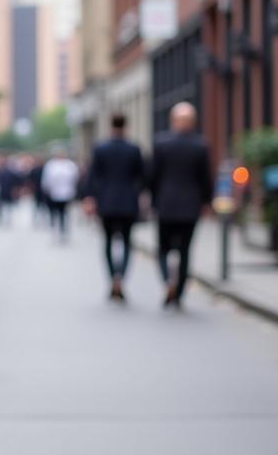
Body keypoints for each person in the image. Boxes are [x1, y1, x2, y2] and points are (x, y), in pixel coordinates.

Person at [148, 102, 213, 308]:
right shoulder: (201, 145)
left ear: (174, 121)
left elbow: (152, 177)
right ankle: (180, 293)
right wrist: (206, 202)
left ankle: (168, 282)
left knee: (163, 249)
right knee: (185, 250)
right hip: (190, 207)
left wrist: (153, 200)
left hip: (166, 205)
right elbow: (205, 179)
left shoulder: (161, 143)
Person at [84, 113, 145, 301]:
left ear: (110, 126)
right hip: (128, 203)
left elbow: (93, 176)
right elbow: (141, 176)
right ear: (126, 126)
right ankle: (121, 277)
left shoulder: (101, 149)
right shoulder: (134, 149)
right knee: (126, 242)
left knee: (109, 242)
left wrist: (90, 199)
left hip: (106, 203)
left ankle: (113, 278)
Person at [40, 146, 80, 240]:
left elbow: (75, 178)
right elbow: (46, 179)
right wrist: (47, 189)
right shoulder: (51, 165)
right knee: (55, 212)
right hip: (54, 193)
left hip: (66, 193)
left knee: (64, 213)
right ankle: (56, 229)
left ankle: (64, 230)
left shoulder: (70, 165)